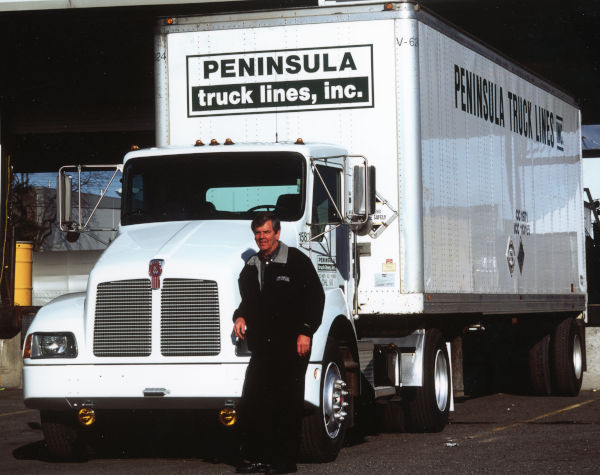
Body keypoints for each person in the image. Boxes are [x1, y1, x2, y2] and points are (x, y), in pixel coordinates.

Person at [233, 211, 325, 474]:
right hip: (263, 346)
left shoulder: (296, 261)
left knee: (286, 402)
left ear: (277, 233)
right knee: (254, 400)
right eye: (258, 233)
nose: (262, 237)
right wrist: (240, 316)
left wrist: (306, 331)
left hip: (292, 345)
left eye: (266, 232)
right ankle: (258, 457)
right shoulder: (252, 265)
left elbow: (315, 299)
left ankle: (285, 462)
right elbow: (249, 301)